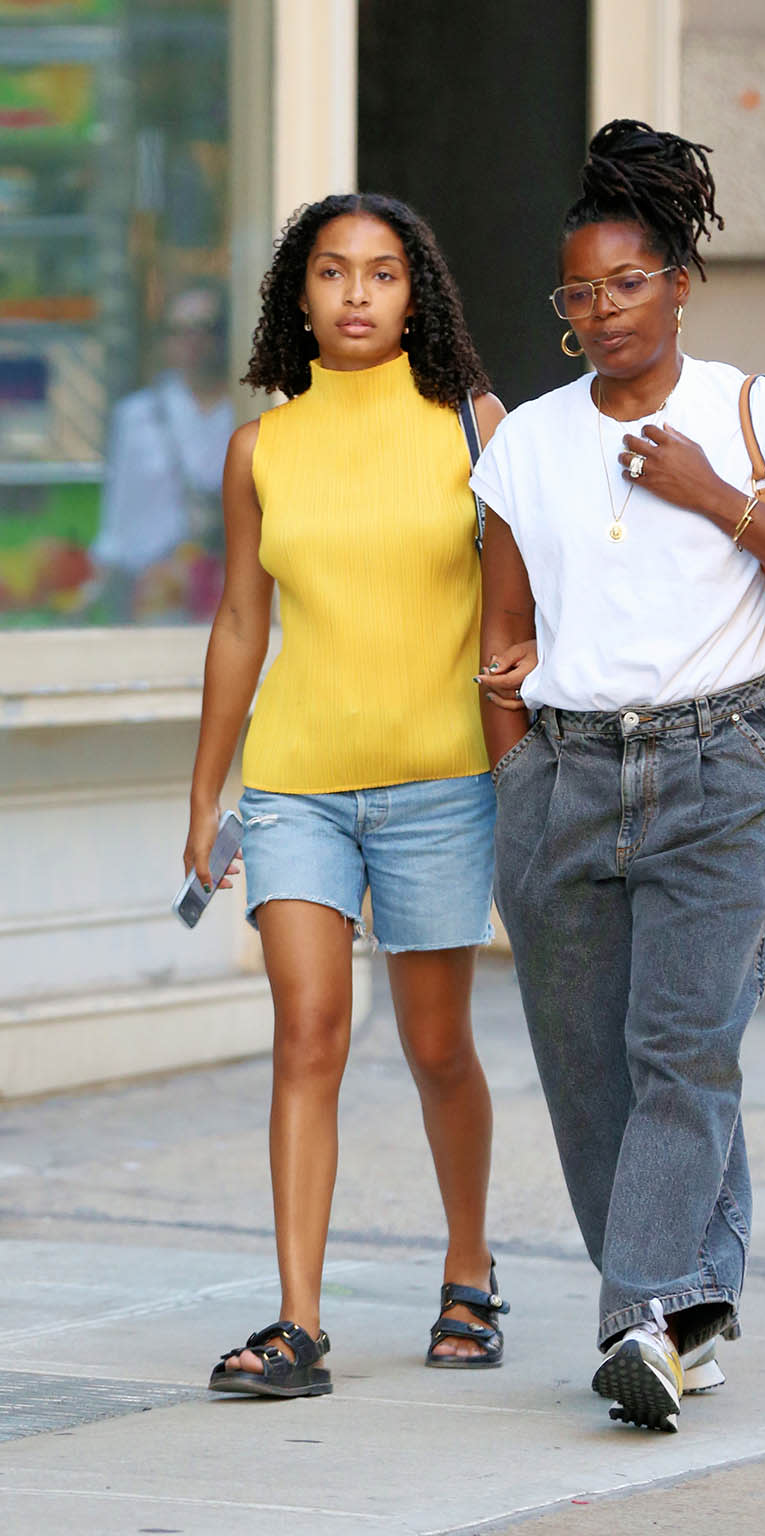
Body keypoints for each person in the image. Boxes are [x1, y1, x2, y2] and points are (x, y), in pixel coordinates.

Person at [471, 120, 765, 1433]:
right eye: (578, 293)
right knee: (593, 1066)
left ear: (679, 284)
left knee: (683, 1051)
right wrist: (516, 786)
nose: (603, 311)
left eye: (628, 283)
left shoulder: (755, 414)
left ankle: (637, 1309)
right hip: (567, 776)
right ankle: (686, 1311)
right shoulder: (526, 447)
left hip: (718, 767)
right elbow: (501, 640)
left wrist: (721, 498)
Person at [184, 193, 508, 1398]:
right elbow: (236, 624)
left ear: (416, 292)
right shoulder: (262, 449)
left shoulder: (476, 427)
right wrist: (206, 794)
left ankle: (467, 1271)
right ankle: (298, 1323)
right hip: (296, 789)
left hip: (441, 784)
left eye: (381, 273)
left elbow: (522, 605)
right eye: (332, 272)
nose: (357, 295)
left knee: (435, 1049)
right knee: (308, 1036)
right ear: (298, 295)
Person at [92, 283, 234, 622]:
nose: (192, 341)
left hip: (230, 588)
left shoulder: (253, 409)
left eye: (206, 328)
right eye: (178, 331)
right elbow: (120, 509)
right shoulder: (138, 414)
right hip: (158, 590)